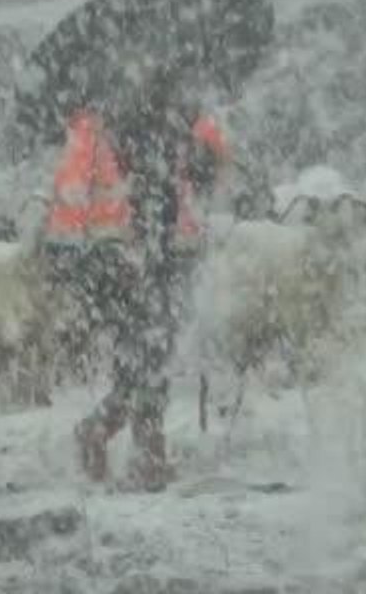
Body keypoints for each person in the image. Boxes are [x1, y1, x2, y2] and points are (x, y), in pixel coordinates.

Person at [42, 65, 231, 492]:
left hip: (164, 258)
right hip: (120, 263)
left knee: (149, 356)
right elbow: (84, 204)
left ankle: (110, 436)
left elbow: (191, 190)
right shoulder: (106, 130)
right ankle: (144, 452)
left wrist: (200, 164)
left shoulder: (177, 126)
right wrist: (115, 254)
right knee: (145, 355)